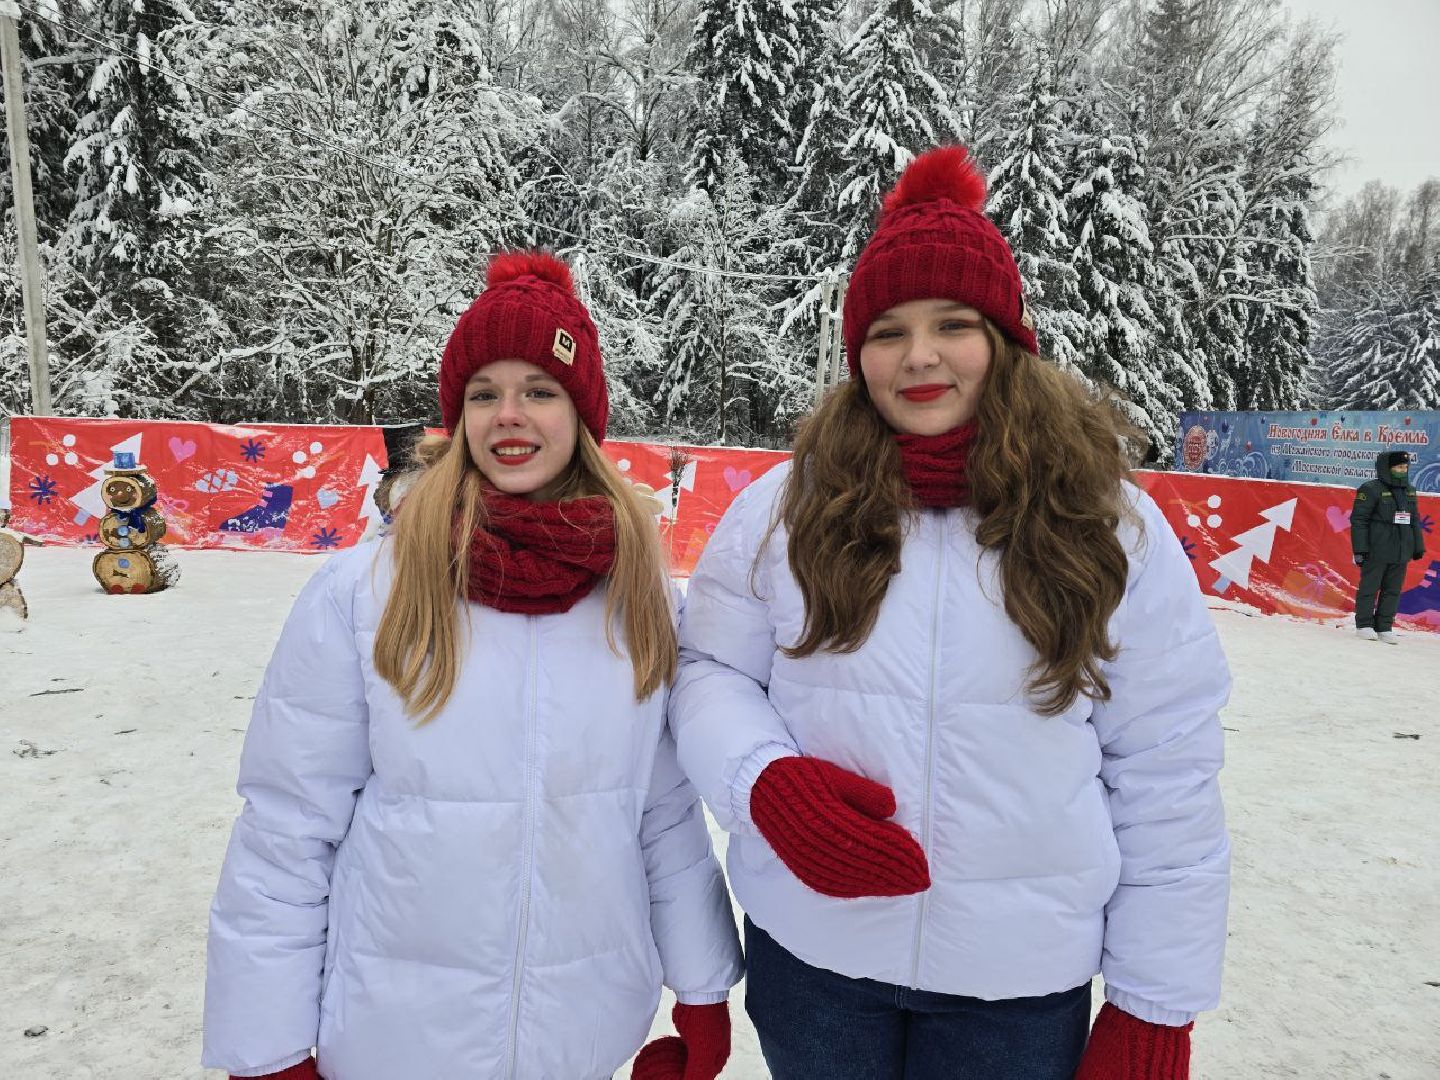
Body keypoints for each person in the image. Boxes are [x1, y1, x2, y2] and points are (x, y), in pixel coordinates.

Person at [669, 146, 1232, 1080]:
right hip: (815, 962)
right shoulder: (783, 507)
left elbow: (1168, 763)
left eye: (953, 324)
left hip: (1016, 991)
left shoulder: (1109, 523)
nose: (920, 355)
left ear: (1006, 338)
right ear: (858, 356)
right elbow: (710, 673)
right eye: (888, 331)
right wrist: (761, 781)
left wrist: (1155, 1004)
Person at [202, 251, 742, 1080]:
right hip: (394, 1039)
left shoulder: (639, 597)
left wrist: (702, 989)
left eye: (540, 390)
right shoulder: (364, 592)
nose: (509, 415)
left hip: (584, 1033)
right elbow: (287, 830)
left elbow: (662, 815)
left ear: (584, 414)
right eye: (484, 393)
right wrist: (267, 1050)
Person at [1351, 449, 1427, 643]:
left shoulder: (1409, 490)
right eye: (1398, 467)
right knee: (1370, 587)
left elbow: (1414, 520)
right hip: (1377, 548)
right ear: (1387, 468)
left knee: (1393, 590)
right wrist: (1360, 550)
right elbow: (1359, 521)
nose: (1403, 470)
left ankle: (1384, 626)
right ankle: (1364, 625)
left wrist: (1417, 546)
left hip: (1401, 549)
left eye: (1405, 467)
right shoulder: (1371, 489)